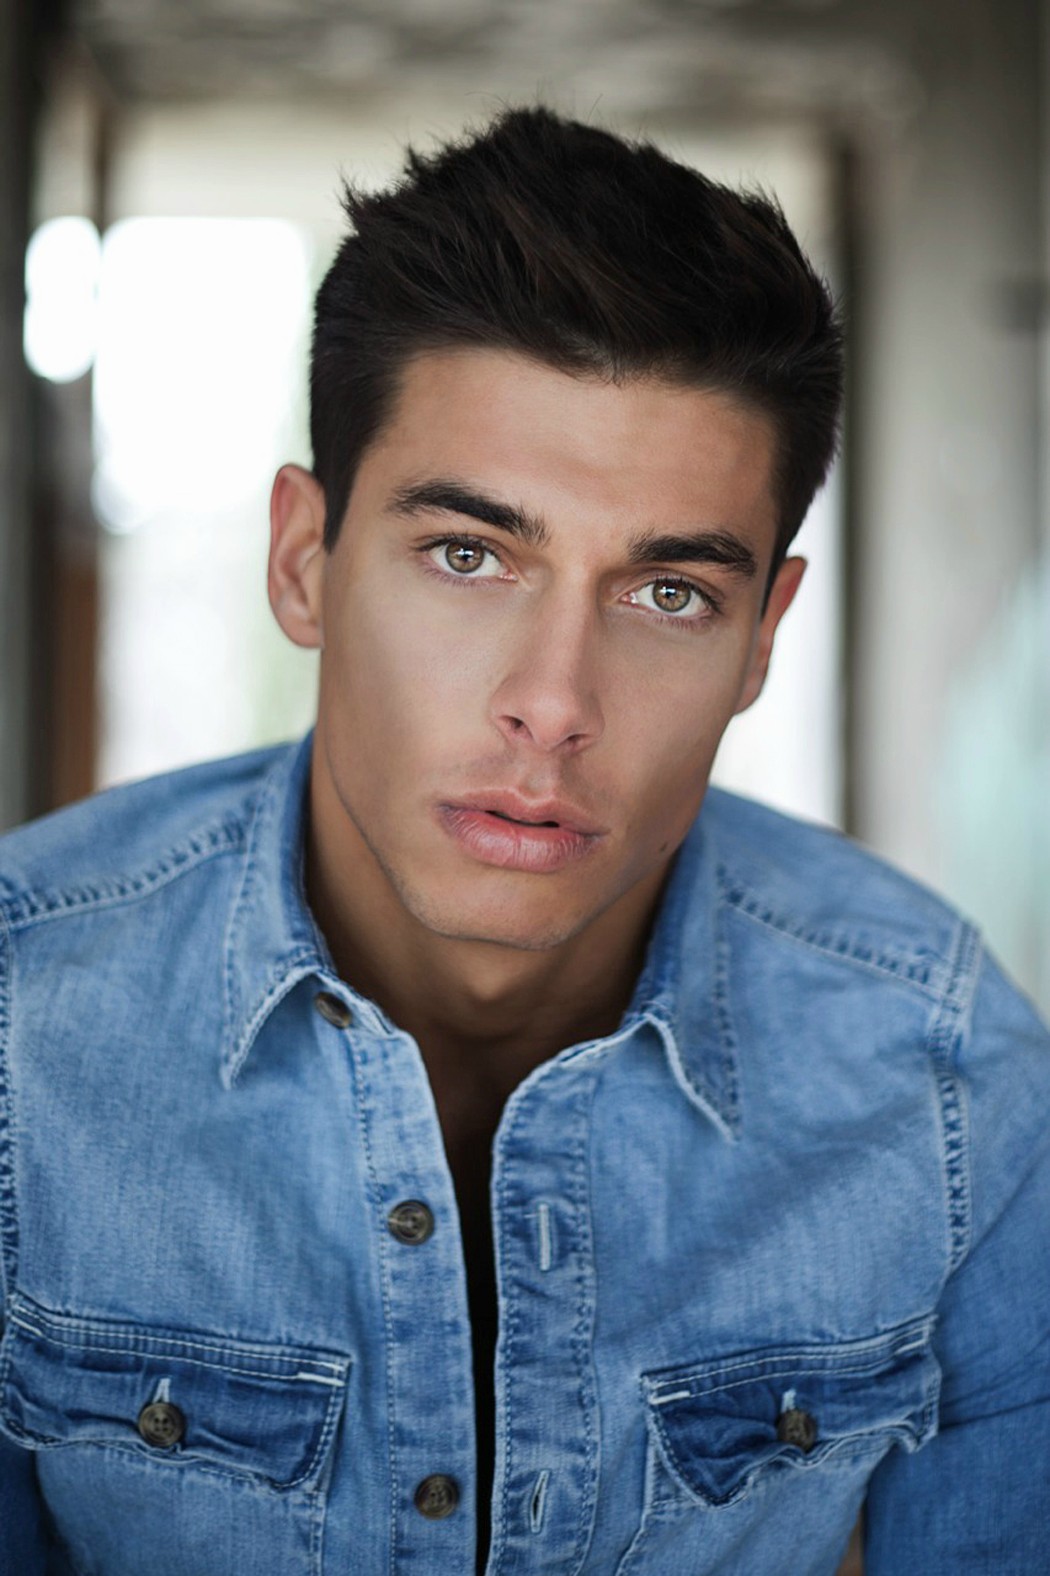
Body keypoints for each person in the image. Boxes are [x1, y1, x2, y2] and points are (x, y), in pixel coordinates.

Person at [0, 106, 1047, 1576]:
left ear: (762, 637)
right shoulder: (23, 1026)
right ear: (303, 562)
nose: (552, 705)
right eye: (467, 555)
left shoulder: (945, 1077)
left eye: (670, 593)